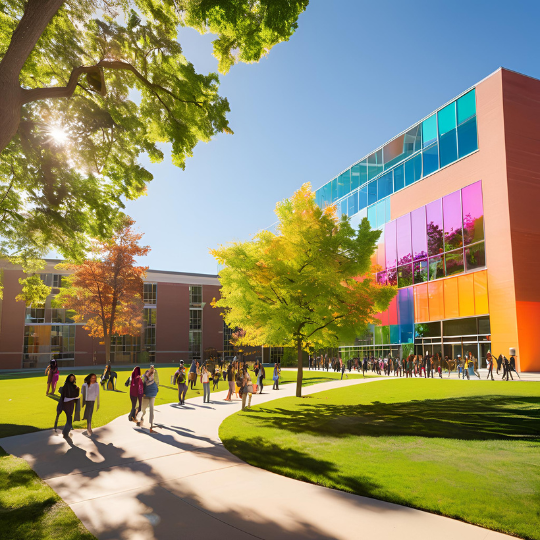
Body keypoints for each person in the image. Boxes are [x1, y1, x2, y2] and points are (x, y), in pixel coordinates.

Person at [57, 374, 80, 440]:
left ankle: (65, 432)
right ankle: (65, 432)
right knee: (69, 418)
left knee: (69, 418)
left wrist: (77, 389)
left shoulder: (74, 386)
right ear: (68, 378)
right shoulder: (66, 385)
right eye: (71, 378)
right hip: (66, 404)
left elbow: (75, 395)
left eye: (73, 378)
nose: (72, 379)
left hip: (71, 403)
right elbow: (68, 395)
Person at [139, 366, 159, 432]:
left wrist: (152, 369)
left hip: (152, 395)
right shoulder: (144, 378)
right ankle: (142, 417)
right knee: (143, 408)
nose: (150, 376)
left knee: (151, 409)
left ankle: (151, 423)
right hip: (146, 395)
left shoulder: (153, 378)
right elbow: (141, 385)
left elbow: (153, 372)